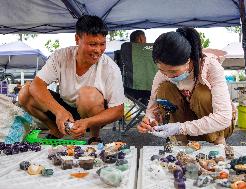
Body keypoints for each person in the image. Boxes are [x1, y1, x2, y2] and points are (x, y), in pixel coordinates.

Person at [19, 15, 124, 144]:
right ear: (77, 39)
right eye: (92, 44)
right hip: (65, 108)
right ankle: (55, 130)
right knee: (25, 93)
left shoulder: (111, 68)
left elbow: (118, 110)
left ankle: (94, 136)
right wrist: (59, 111)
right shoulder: (60, 56)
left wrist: (87, 122)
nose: (98, 50)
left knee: (87, 95)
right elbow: (36, 85)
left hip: (93, 115)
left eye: (102, 44)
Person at [137, 28, 234, 145]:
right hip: (186, 124)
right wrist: (149, 120)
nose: (168, 75)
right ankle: (180, 142)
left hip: (218, 127)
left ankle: (219, 142)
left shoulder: (211, 67)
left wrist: (180, 128)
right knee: (164, 89)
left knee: (201, 94)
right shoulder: (163, 73)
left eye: (173, 72)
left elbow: (223, 118)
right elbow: (152, 108)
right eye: (162, 70)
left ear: (189, 60)